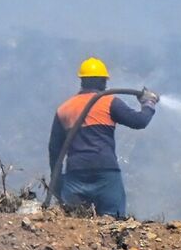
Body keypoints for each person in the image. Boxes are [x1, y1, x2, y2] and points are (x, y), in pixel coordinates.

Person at [48, 57, 159, 217]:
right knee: (113, 222)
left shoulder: (64, 108)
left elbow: (54, 150)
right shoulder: (109, 102)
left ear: (82, 81)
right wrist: (149, 103)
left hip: (75, 175)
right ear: (103, 81)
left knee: (73, 222)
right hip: (105, 173)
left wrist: (57, 183)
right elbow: (139, 121)